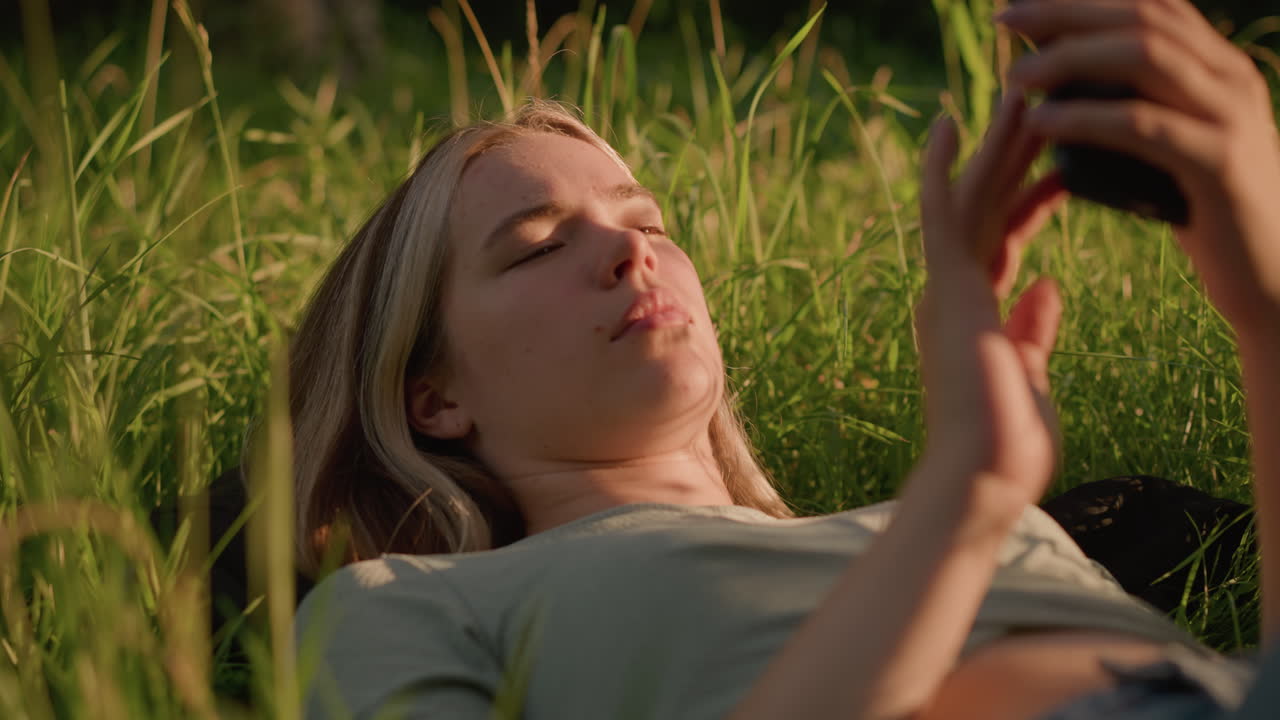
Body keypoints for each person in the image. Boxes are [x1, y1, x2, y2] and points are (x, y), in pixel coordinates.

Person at [288, 0, 1280, 717]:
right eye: (540, 245)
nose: (632, 249)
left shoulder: (961, 511)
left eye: (647, 219)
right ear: (433, 399)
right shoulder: (413, 601)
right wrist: (959, 507)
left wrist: (1260, 302)